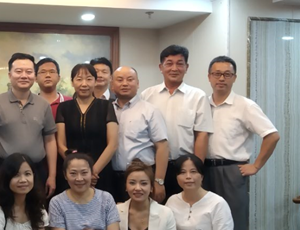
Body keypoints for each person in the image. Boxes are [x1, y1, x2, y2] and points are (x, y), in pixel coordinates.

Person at [205, 56, 279, 230]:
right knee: (206, 227)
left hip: (232, 171)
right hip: (203, 170)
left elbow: (272, 135)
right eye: (217, 73)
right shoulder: (202, 104)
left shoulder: (245, 105)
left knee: (234, 229)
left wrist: (255, 165)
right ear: (209, 77)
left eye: (227, 74)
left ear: (234, 78)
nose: (221, 78)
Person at [141, 45, 213, 199]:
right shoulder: (147, 95)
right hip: (153, 165)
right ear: (161, 67)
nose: (174, 68)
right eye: (169, 63)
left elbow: (201, 135)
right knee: (154, 208)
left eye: (180, 64)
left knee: (184, 207)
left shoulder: (198, 96)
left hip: (184, 166)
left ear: (187, 67)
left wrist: (196, 170)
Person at [0, 53, 57, 198]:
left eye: (29, 72)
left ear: (34, 76)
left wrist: (52, 176)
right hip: (4, 170)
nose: (24, 76)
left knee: (36, 209)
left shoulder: (43, 104)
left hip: (36, 171)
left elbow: (50, 140)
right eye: (18, 71)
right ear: (10, 75)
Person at [56, 63, 118, 195]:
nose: (84, 84)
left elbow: (112, 144)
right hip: (72, 172)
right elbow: (60, 144)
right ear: (72, 82)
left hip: (100, 171)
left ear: (95, 81)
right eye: (79, 79)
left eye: (89, 79)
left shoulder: (106, 106)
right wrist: (76, 169)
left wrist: (92, 172)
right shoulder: (64, 107)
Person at [112, 66, 169, 203]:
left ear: (138, 84)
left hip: (142, 177)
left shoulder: (150, 110)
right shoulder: (107, 110)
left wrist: (159, 181)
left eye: (130, 79)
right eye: (120, 80)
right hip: (113, 178)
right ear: (112, 85)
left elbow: (162, 146)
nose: (125, 83)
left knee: (144, 214)